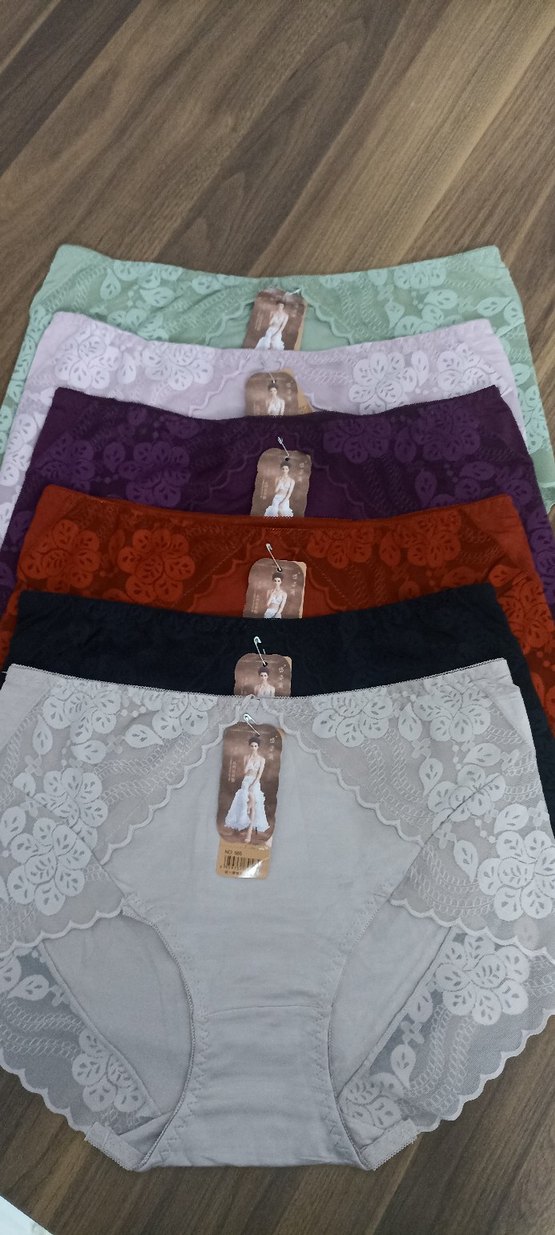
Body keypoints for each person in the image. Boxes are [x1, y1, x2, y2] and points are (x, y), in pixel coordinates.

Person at [224, 735, 268, 842]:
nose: (253, 748)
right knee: (244, 802)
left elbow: (259, 774)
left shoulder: (262, 759)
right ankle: (245, 818)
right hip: (246, 781)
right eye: (252, 746)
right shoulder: (246, 757)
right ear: (249, 747)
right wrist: (248, 762)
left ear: (258, 747)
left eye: (255, 746)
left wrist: (253, 784)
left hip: (255, 782)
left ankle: (249, 832)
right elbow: (244, 772)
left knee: (253, 805)